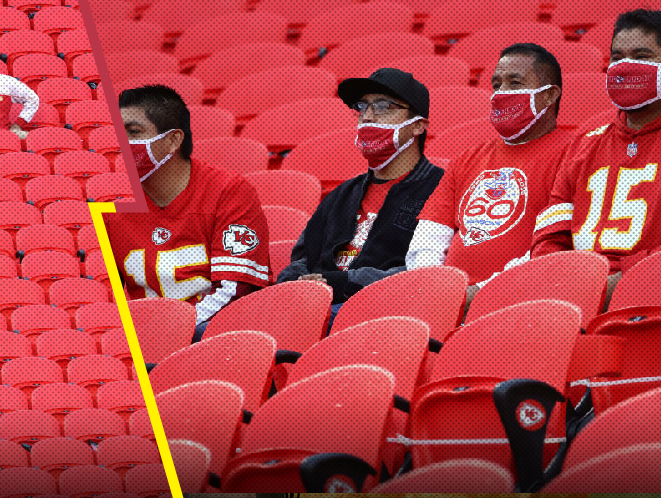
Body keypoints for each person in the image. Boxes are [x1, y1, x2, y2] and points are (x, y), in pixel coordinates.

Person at [532, 9, 661, 297]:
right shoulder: (585, 145)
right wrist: (558, 284)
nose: (625, 67)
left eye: (641, 57)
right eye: (617, 58)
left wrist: (612, 286)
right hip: (574, 298)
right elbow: (551, 237)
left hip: (659, 302)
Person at [277, 68, 444, 324]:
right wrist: (295, 282)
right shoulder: (341, 195)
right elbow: (303, 258)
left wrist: (343, 282)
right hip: (314, 306)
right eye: (362, 107)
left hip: (383, 312)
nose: (367, 117)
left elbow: (426, 271)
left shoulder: (440, 189)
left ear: (418, 126)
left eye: (382, 106)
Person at [102, 84, 271, 337]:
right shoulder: (108, 200)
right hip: (144, 340)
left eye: (134, 132)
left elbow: (236, 290)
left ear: (173, 140)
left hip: (214, 335)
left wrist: (170, 333)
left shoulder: (229, 191)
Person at [407, 43, 573, 298]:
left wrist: (481, 293)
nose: (501, 93)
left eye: (515, 83)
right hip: (446, 300)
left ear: (550, 95)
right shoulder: (466, 160)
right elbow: (428, 240)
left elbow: (556, 247)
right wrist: (432, 290)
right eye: (497, 85)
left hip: (523, 299)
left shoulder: (574, 154)